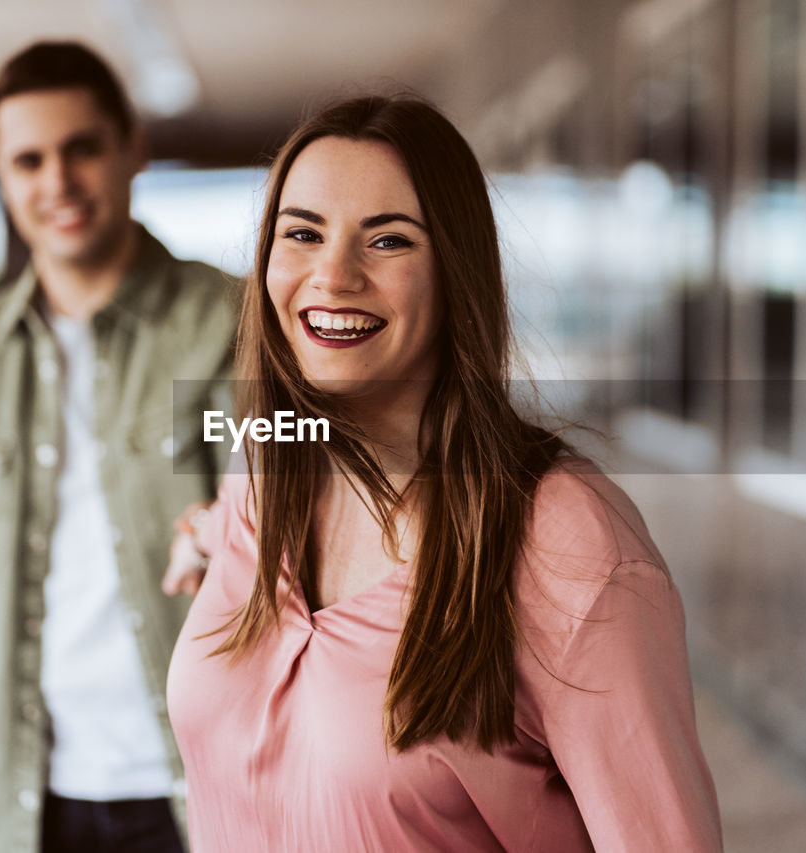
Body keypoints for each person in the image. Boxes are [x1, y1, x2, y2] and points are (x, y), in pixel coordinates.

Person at [162, 95, 723, 851]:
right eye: (301, 233)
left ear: (454, 269)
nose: (333, 274)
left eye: (388, 240)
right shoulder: (266, 462)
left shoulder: (566, 537)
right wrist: (199, 538)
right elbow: (232, 540)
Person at [0, 41, 235, 853]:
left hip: (205, 790)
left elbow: (300, 518)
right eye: (27, 161)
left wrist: (229, 530)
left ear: (132, 148)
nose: (57, 183)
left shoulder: (232, 328)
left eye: (81, 149)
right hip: (29, 801)